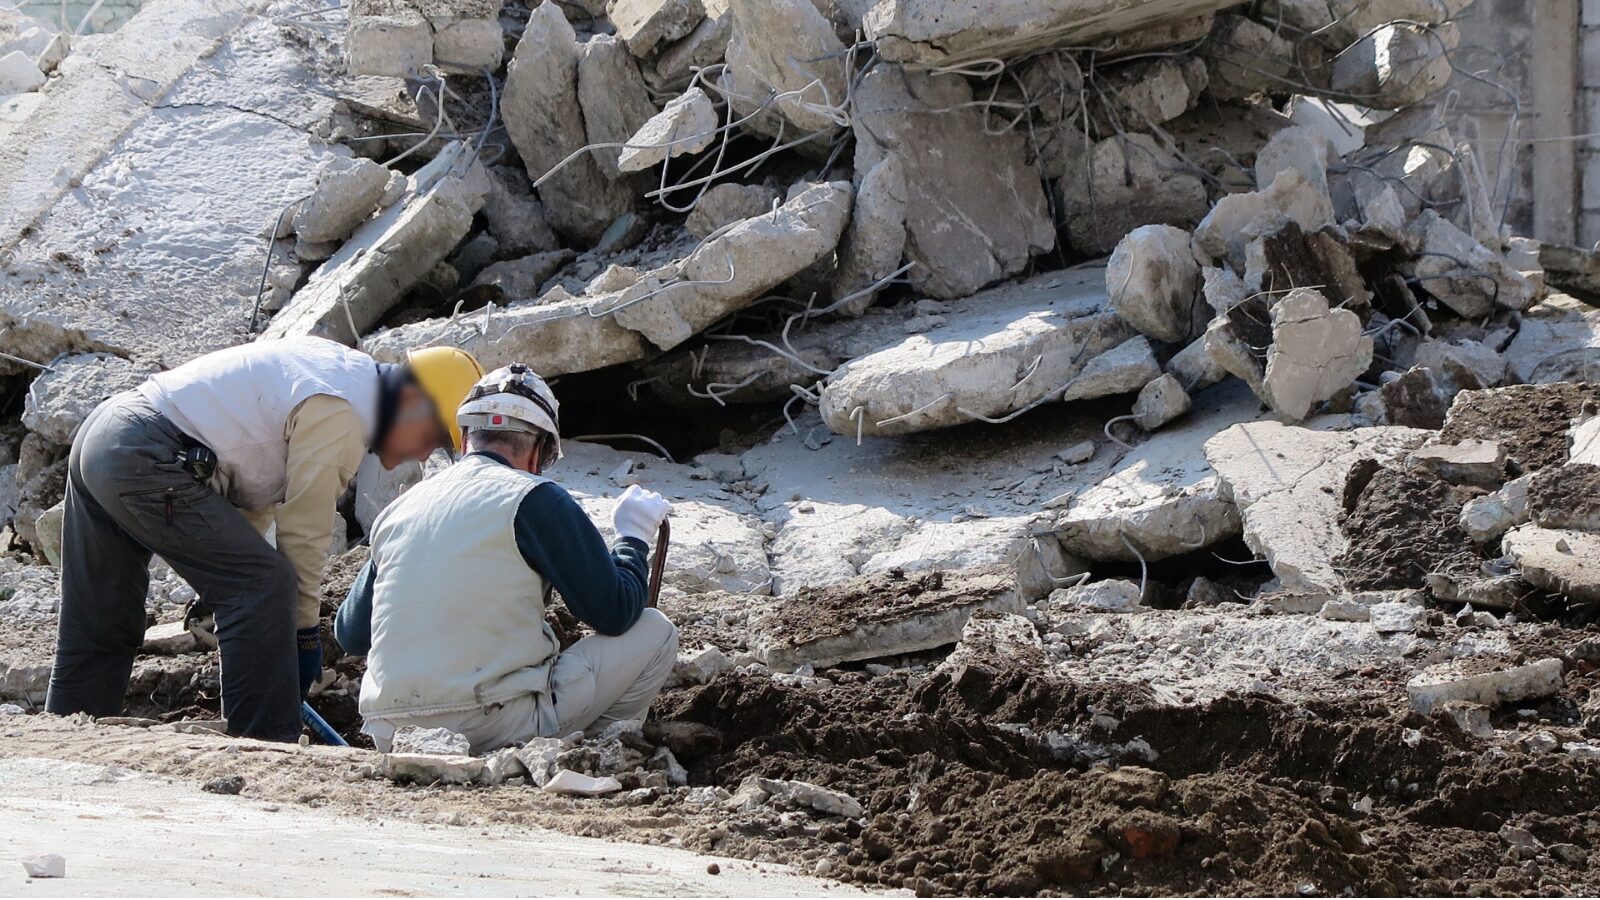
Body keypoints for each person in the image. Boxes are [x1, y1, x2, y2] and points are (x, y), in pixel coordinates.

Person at [46, 336, 484, 742]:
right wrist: (304, 634)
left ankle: (64, 741)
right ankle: (264, 746)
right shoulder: (345, 410)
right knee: (263, 585)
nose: (423, 454)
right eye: (432, 439)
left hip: (106, 435)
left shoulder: (336, 373)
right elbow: (305, 532)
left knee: (100, 616)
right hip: (144, 452)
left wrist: (222, 590)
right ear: (412, 400)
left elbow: (249, 484)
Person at [334, 363, 678, 753]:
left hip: (390, 731)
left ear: (466, 438)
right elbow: (614, 612)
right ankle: (595, 752)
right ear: (539, 451)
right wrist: (633, 536)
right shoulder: (535, 498)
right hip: (493, 724)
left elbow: (350, 634)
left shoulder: (399, 509)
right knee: (656, 631)